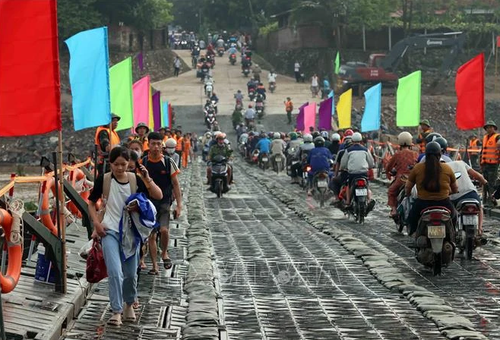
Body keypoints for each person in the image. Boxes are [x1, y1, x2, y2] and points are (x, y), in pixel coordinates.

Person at [88, 146, 163, 326]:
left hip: (130, 233)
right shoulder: (104, 180)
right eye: (116, 164)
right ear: (110, 164)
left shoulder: (134, 180)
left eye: (123, 164)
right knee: (114, 272)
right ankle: (116, 310)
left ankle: (129, 303)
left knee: (130, 273)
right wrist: (97, 224)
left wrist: (146, 178)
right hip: (109, 231)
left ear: (129, 163)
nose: (120, 168)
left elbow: (157, 195)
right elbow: (91, 203)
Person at [142, 132, 182, 275]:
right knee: (151, 235)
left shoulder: (167, 161)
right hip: (148, 203)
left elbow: (176, 184)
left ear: (162, 145)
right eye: (153, 144)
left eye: (159, 144)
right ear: (148, 144)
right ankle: (154, 266)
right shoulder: (144, 162)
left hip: (165, 201)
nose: (156, 147)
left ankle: (164, 253)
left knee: (164, 230)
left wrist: (179, 205)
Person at [405, 141, 458, 237]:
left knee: (412, 218)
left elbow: (408, 186)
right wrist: (449, 192)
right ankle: (452, 236)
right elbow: (455, 188)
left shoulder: (417, 168)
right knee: (454, 217)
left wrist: (407, 194)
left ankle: (415, 236)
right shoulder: (447, 168)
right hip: (444, 203)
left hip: (422, 203)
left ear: (426, 154)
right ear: (440, 154)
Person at [448, 160, 487, 236]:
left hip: (453, 196)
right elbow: (478, 176)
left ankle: (452, 231)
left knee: (451, 213)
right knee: (479, 207)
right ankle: (479, 229)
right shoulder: (461, 163)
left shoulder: (442, 167)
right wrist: (485, 182)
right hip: (470, 192)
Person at [385, 132, 418, 217]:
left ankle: (394, 210)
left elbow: (389, 166)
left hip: (401, 179)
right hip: (413, 179)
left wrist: (387, 173)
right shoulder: (415, 154)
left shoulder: (397, 154)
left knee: (391, 191)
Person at [340, 132, 375, 208]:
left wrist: (343, 168)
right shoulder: (365, 150)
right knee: (367, 186)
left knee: (348, 185)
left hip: (352, 173)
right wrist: (369, 167)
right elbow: (371, 163)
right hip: (363, 173)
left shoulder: (348, 150)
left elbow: (343, 163)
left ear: (352, 140)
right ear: (361, 140)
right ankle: (369, 200)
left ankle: (348, 201)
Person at [481, 120, 500, 205]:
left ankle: (492, 201)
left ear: (494, 128)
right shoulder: (485, 138)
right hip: (485, 164)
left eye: (490, 127)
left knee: (491, 183)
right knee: (485, 183)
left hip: (493, 164)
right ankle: (485, 201)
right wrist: (480, 161)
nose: (489, 129)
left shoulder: (497, 137)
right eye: (487, 127)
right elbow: (482, 150)